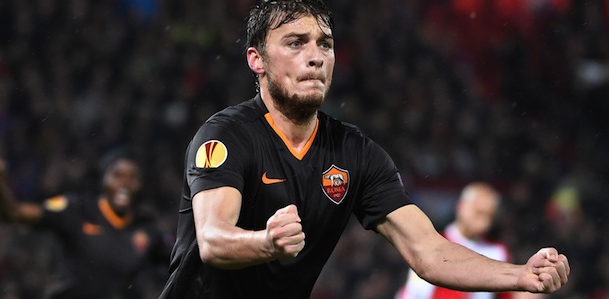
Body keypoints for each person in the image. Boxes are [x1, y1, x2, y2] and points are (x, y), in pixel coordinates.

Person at [158, 1, 570, 298]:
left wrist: (521, 276)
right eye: (296, 43)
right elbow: (212, 240)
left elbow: (428, 251)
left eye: (325, 44)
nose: (316, 57)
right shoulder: (227, 135)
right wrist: (267, 241)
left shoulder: (357, 153)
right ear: (257, 59)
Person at [0, 151, 170, 299]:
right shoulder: (76, 209)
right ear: (103, 179)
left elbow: (178, 262)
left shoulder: (147, 229)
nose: (125, 183)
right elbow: (13, 213)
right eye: (117, 175)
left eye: (132, 177)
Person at [395, 182, 544, 299]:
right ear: (461, 207)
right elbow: (414, 293)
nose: (483, 221)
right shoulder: (434, 243)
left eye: (488, 216)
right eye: (478, 212)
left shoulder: (498, 251)